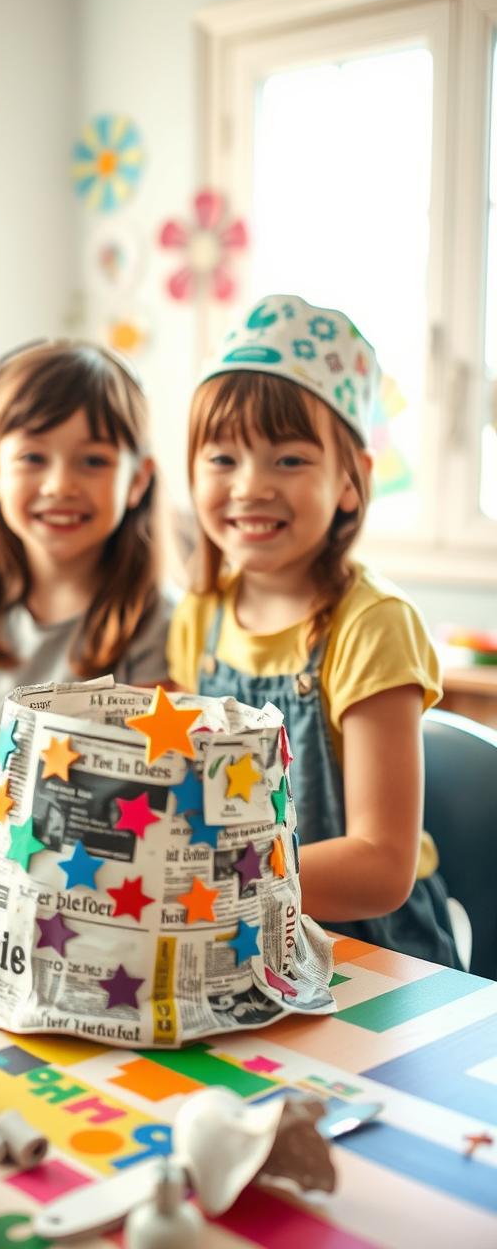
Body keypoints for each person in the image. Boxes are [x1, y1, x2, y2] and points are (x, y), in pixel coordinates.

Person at [168, 294, 458, 966]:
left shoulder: (374, 626)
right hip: (238, 938)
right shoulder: (199, 614)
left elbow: (383, 866)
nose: (250, 487)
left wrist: (213, 875)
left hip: (372, 954)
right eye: (222, 459)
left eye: (289, 460)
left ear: (352, 482)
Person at [0, 338, 172, 865]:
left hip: (83, 871)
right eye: (32, 457)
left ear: (137, 480)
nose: (59, 484)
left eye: (93, 460)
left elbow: (150, 781)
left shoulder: (157, 619)